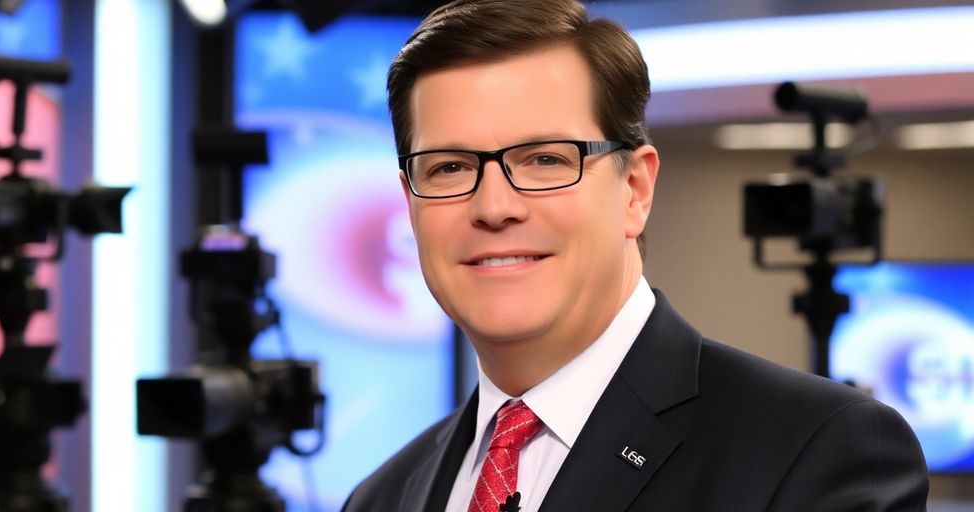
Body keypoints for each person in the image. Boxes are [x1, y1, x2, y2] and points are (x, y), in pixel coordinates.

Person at [342, 0, 929, 510]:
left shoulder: (818, 450)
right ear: (410, 203)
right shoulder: (381, 496)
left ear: (635, 191)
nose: (494, 206)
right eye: (448, 167)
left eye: (546, 159)